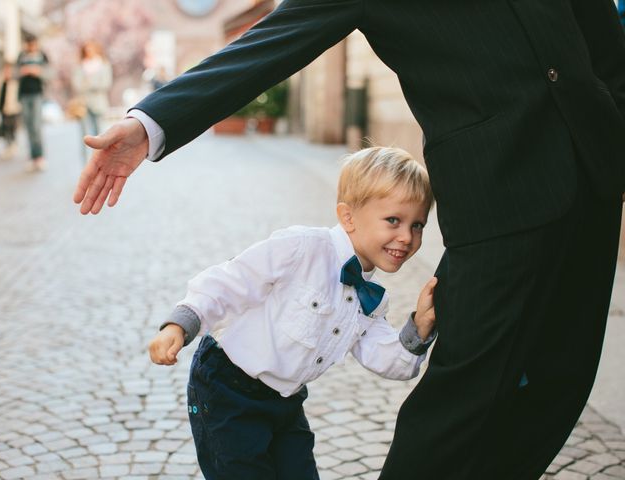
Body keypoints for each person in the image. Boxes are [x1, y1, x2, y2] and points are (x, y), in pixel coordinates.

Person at [73, 1, 625, 478]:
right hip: (496, 191)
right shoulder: (299, 249)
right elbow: (271, 41)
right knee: (465, 398)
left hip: (595, 178)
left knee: (560, 384)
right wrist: (152, 122)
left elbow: (603, 42)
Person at [148, 147, 437, 479]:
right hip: (226, 390)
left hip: (285, 403)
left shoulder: (370, 299)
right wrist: (180, 324)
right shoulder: (300, 248)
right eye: (393, 221)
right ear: (348, 217)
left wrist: (422, 325)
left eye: (418, 225)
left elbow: (386, 358)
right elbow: (229, 282)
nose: (407, 237)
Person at [17, 34, 50, 172]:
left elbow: (50, 74)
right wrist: (22, 72)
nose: (30, 47)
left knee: (36, 126)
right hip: (24, 94)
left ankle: (39, 156)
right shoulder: (21, 56)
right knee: (29, 127)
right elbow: (14, 73)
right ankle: (32, 156)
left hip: (37, 94)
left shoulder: (42, 56)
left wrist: (38, 72)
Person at [71, 41, 113, 141]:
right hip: (83, 103)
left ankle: (100, 155)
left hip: (98, 102)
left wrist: (89, 84)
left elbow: (106, 83)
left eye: (91, 49)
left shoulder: (103, 65)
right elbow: (76, 84)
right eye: (86, 50)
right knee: (84, 133)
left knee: (100, 132)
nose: (89, 52)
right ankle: (86, 156)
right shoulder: (80, 66)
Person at [0, 62, 21, 159]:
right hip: (2, 108)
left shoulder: (15, 81)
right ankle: (7, 146)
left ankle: (13, 145)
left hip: (12, 109)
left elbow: (18, 96)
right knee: (5, 128)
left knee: (12, 128)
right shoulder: (0, 79)